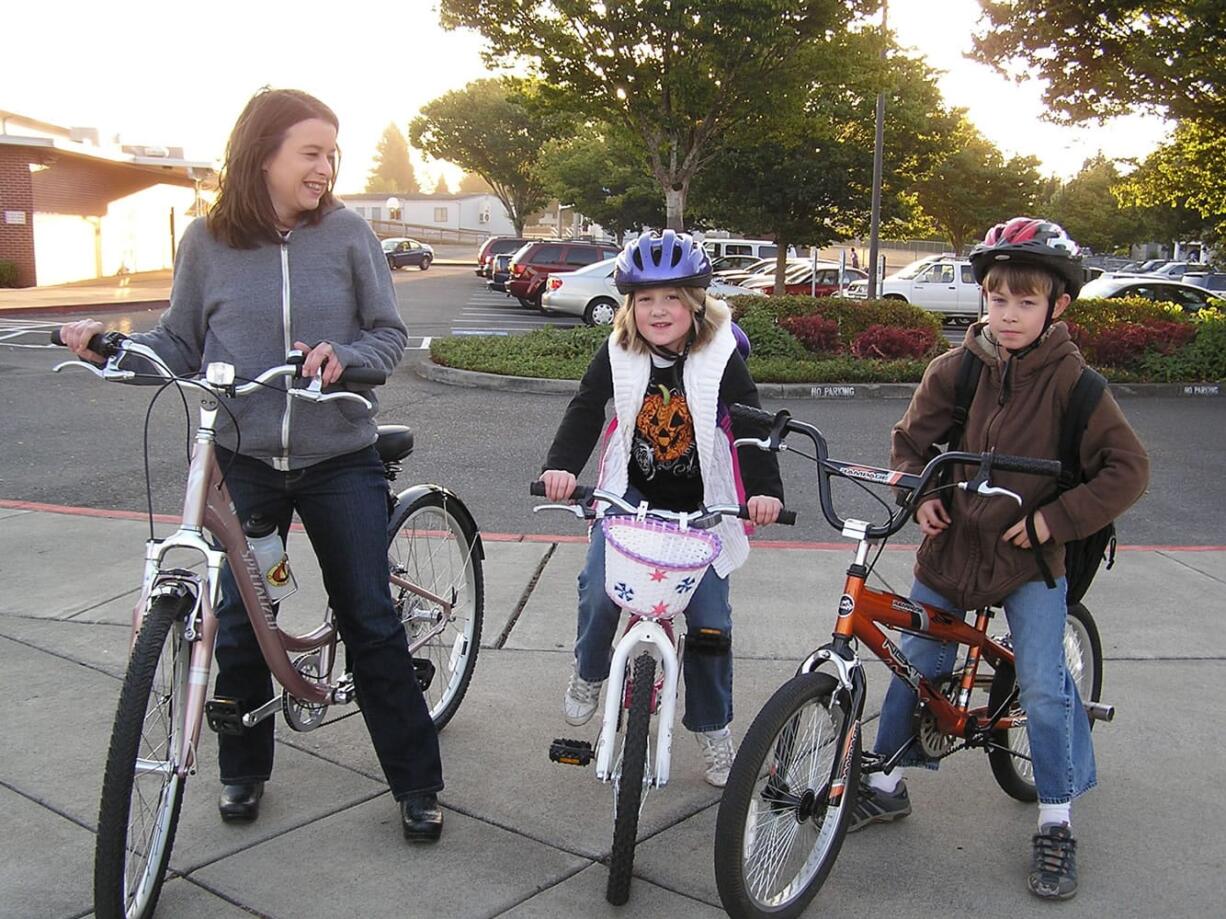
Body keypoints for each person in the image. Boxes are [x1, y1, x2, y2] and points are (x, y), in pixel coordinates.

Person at [59, 88, 445, 843]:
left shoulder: (349, 235)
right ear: (263, 153)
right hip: (242, 455)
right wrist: (112, 347)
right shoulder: (206, 241)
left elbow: (388, 334)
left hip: (338, 454)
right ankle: (243, 767)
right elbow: (178, 344)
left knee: (367, 615)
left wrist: (349, 359)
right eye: (311, 152)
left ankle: (417, 780)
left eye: (332, 153)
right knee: (235, 621)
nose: (325, 168)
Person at [850, 217, 1149, 899]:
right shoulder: (954, 372)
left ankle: (1055, 818)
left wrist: (1054, 519)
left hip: (1029, 561)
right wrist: (921, 491)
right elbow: (911, 443)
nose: (1007, 315)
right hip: (952, 549)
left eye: (1025, 301)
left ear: (1058, 307)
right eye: (996, 299)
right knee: (915, 662)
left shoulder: (1079, 388)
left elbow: (1127, 469)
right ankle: (887, 781)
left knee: (1043, 684)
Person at [538, 229, 785, 787]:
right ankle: (589, 672)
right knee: (599, 589)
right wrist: (561, 466)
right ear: (629, 306)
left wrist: (763, 491)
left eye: (671, 297)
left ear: (695, 303)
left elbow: (750, 424)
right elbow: (585, 410)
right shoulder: (618, 351)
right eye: (645, 299)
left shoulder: (721, 355)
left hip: (702, 509)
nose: (657, 310)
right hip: (629, 498)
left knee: (709, 624)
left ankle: (713, 729)